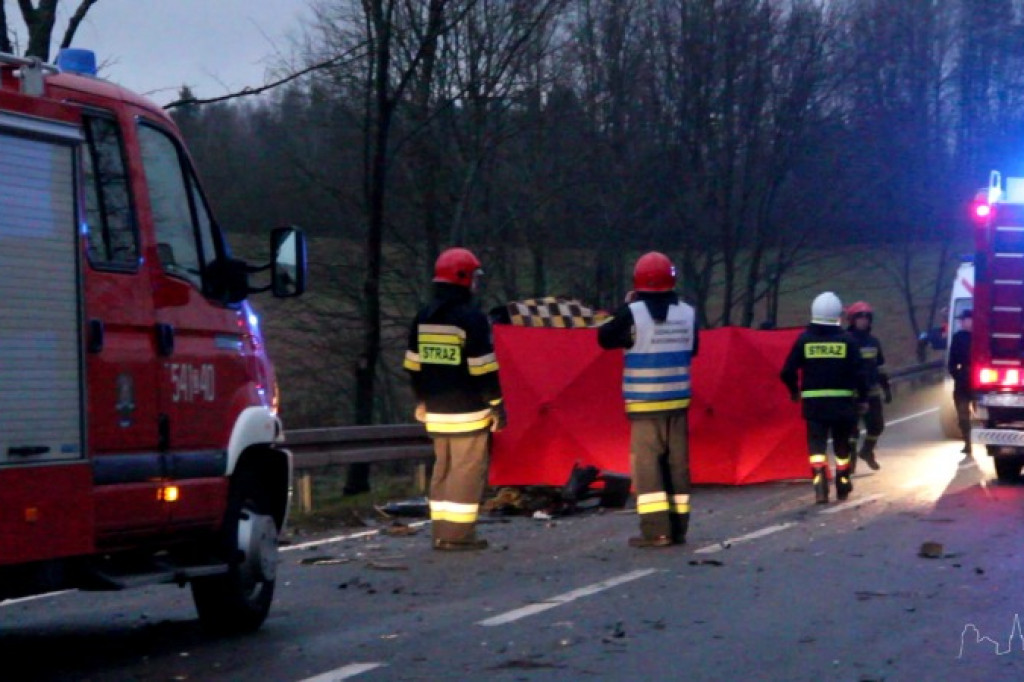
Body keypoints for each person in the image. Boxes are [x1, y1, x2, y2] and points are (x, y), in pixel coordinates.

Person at [403, 247, 506, 551]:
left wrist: (423, 399)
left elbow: (412, 365)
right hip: (468, 411)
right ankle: (459, 536)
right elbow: (483, 368)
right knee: (466, 471)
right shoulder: (470, 319)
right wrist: (497, 404)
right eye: (474, 277)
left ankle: (441, 532)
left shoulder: (423, 316)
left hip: (435, 410)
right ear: (462, 278)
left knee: (442, 470)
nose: (476, 283)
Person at [598, 252, 697, 548]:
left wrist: (626, 307)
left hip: (644, 404)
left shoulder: (634, 313)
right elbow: (693, 350)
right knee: (678, 466)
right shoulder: (688, 313)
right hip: (678, 402)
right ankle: (679, 527)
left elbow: (604, 338)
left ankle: (656, 531)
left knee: (648, 468)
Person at [781, 292, 868, 504]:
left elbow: (786, 371)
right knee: (841, 447)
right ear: (838, 315)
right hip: (842, 405)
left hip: (814, 407)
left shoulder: (804, 340)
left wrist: (794, 390)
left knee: (816, 448)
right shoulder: (848, 341)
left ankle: (820, 486)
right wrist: (863, 399)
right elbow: (861, 373)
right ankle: (843, 481)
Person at [844, 301, 892, 471]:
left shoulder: (873, 341)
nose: (864, 320)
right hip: (851, 394)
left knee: (877, 426)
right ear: (852, 319)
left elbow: (880, 367)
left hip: (872, 392)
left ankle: (867, 451)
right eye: (860, 317)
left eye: (867, 317)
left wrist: (886, 388)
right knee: (851, 430)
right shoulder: (845, 340)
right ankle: (849, 461)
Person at [948, 309, 973, 454]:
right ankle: (967, 442)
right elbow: (952, 361)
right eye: (962, 320)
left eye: (964, 319)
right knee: (962, 414)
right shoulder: (958, 338)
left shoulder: (981, 336)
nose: (962, 322)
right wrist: (958, 375)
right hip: (963, 380)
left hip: (981, 379)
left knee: (984, 413)